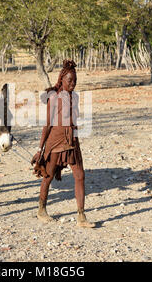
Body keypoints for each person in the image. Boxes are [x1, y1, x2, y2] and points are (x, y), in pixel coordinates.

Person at [31, 59, 95, 228]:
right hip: (56, 141)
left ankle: (81, 217)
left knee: (80, 176)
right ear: (61, 80)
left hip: (72, 141)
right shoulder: (54, 98)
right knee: (48, 176)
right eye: (69, 81)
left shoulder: (75, 97)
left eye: (75, 81)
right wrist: (40, 149)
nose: (73, 84)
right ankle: (41, 210)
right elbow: (47, 125)